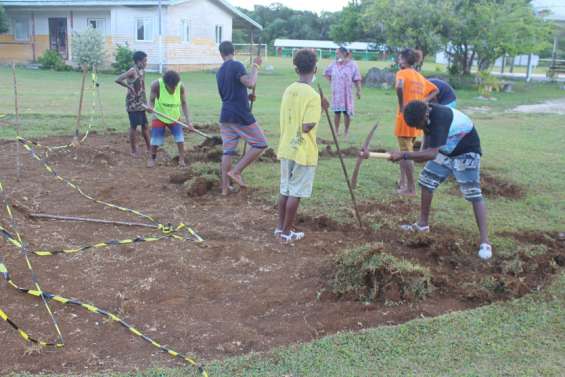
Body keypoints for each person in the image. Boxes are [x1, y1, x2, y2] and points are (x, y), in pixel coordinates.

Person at [386, 100, 491, 260]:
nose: (417, 129)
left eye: (417, 125)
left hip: (466, 151)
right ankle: (422, 225)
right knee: (427, 181)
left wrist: (404, 154)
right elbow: (424, 154)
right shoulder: (426, 117)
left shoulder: (440, 117)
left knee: (473, 193)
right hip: (446, 150)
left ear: (424, 116)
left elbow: (431, 154)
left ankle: (485, 242)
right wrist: (405, 156)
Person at [276, 49, 326, 243]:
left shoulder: (289, 89)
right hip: (303, 150)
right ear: (315, 68)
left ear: (296, 68)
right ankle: (287, 233)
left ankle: (280, 228)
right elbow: (307, 126)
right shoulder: (313, 95)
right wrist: (320, 108)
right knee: (295, 192)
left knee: (285, 190)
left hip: (286, 146)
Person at [216, 41, 268, 195]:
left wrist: (246, 97)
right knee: (261, 143)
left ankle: (225, 188)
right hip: (239, 114)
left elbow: (229, 93)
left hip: (225, 115)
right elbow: (250, 82)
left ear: (221, 54)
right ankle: (236, 172)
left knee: (228, 152)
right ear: (234, 51)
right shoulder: (236, 65)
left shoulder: (219, 72)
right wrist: (255, 66)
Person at [395, 48, 439, 196]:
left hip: (405, 119)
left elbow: (399, 86)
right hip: (417, 122)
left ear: (404, 59)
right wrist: (422, 102)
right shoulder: (419, 77)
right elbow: (435, 90)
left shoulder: (402, 73)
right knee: (405, 152)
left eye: (400, 58)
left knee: (406, 154)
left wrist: (402, 106)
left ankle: (410, 188)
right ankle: (403, 182)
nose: (398, 60)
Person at [146, 70, 194, 168]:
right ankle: (152, 158)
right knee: (155, 139)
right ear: (165, 83)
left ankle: (181, 158)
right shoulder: (157, 85)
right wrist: (150, 108)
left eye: (175, 86)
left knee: (180, 138)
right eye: (172, 86)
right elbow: (151, 101)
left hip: (174, 116)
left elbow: (184, 103)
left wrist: (189, 121)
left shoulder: (180, 86)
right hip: (159, 116)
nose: (174, 88)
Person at [114, 51, 150, 156]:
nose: (146, 63)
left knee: (145, 125)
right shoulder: (132, 71)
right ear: (139, 61)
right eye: (144, 61)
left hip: (141, 103)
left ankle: (149, 148)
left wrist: (146, 102)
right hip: (133, 104)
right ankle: (133, 150)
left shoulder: (142, 71)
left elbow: (142, 87)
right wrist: (128, 86)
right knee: (134, 126)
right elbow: (118, 79)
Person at [324, 47, 362, 139]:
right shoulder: (333, 64)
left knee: (346, 113)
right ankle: (336, 132)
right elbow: (326, 73)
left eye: (338, 53)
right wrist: (332, 82)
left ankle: (346, 132)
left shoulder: (352, 65)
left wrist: (358, 90)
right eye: (336, 54)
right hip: (337, 93)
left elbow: (357, 79)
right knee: (337, 112)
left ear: (344, 54)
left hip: (347, 93)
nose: (336, 55)